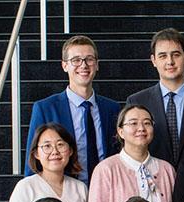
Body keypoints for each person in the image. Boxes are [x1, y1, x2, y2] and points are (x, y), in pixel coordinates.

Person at [25, 36, 122, 183]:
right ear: (64, 65)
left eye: (89, 59)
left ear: (97, 65)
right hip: (63, 193)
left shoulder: (112, 108)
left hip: (105, 192)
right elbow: (32, 161)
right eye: (76, 60)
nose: (83, 65)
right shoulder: (45, 108)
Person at [127, 28, 184, 168]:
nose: (170, 61)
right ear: (153, 60)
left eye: (176, 55)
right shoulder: (137, 102)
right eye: (163, 56)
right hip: (154, 180)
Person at [5, 123, 88, 202]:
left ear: (70, 151)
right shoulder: (26, 187)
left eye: (60, 145)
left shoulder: (80, 188)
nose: (55, 151)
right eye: (47, 146)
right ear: (36, 153)